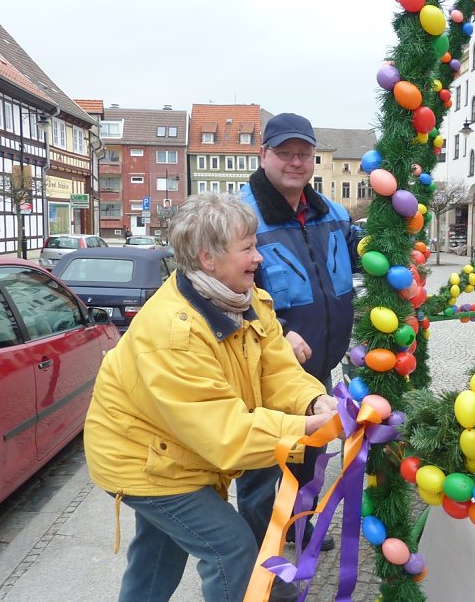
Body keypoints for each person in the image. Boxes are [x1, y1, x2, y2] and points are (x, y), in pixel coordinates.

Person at [83, 193, 338, 602]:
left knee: (158, 553)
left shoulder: (245, 298)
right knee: (231, 548)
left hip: (179, 448)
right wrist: (302, 431)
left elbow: (276, 368)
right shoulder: (172, 335)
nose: (259, 257)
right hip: (142, 457)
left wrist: (313, 400)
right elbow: (224, 433)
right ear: (207, 258)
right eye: (248, 248)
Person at [238, 113, 356, 561]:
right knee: (264, 465)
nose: (295, 162)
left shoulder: (331, 212)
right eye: (284, 153)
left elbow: (361, 252)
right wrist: (279, 332)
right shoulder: (241, 216)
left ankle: (298, 529)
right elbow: (222, 289)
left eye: (303, 154)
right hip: (264, 369)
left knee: (311, 454)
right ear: (263, 154)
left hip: (318, 363)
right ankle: (252, 556)